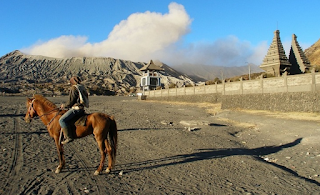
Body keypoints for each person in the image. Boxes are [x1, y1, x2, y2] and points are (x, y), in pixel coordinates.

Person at [59, 76, 89, 144]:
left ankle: (68, 137)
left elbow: (71, 101)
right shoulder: (81, 87)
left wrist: (64, 105)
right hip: (82, 108)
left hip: (76, 109)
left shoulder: (74, 88)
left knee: (62, 120)